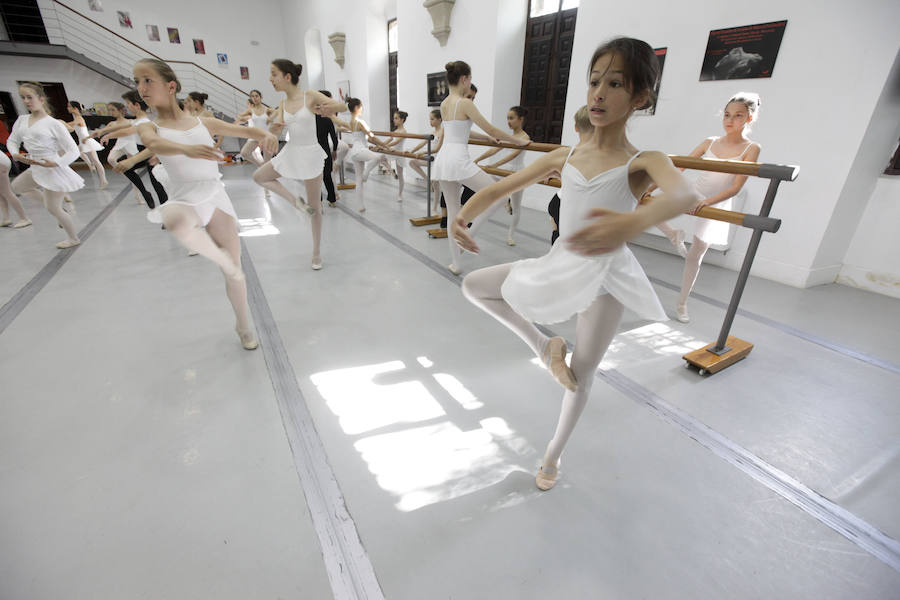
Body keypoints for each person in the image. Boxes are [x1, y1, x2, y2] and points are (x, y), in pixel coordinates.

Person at [450, 38, 699, 491]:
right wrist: (461, 216)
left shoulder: (645, 160)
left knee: (580, 376)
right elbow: (497, 189)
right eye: (594, 81)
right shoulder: (564, 155)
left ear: (640, 98)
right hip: (560, 260)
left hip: (607, 275)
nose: (599, 93)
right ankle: (544, 346)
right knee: (476, 286)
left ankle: (552, 455)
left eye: (616, 84)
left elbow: (686, 196)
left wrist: (631, 223)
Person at [131, 58, 278, 350]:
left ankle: (243, 325)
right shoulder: (148, 126)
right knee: (172, 218)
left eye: (147, 80)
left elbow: (247, 132)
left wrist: (267, 133)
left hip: (213, 195)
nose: (141, 88)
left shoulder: (203, 122)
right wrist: (187, 149)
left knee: (234, 271)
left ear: (170, 86)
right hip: (184, 197)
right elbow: (156, 145)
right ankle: (213, 253)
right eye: (137, 82)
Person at [653, 92, 761, 322]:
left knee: (695, 256)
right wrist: (651, 189)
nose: (730, 120)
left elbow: (735, 187)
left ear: (749, 119)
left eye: (738, 116)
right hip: (694, 191)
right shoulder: (709, 142)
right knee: (645, 206)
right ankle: (673, 234)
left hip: (717, 200)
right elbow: (678, 167)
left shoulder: (751, 149)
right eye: (727, 115)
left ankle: (682, 303)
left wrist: (706, 203)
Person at [431, 62, 528, 275]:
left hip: (444, 158)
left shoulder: (445, 103)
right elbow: (491, 127)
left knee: (454, 212)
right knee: (501, 196)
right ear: (465, 79)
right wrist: (518, 142)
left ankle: (456, 264)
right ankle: (470, 233)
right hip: (458, 160)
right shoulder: (465, 103)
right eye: (470, 80)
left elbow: (460, 131)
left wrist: (487, 138)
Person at [251, 59, 347, 270]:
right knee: (259, 176)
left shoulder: (309, 95)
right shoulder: (283, 104)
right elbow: (275, 129)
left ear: (287, 76)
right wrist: (274, 132)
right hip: (291, 151)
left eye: (274, 74)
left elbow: (342, 105)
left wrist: (327, 108)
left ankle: (316, 252)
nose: (270, 79)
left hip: (311, 153)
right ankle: (295, 202)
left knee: (315, 207)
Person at [7, 82, 83, 248]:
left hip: (53, 168)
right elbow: (12, 140)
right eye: (23, 98)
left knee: (53, 208)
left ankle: (73, 238)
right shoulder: (22, 120)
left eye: (30, 97)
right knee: (18, 186)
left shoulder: (54, 124)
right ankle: (58, 208)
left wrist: (56, 163)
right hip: (35, 165)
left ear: (41, 99)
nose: (26, 101)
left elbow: (73, 150)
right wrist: (16, 154)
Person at [471, 105, 531, 245]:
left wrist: (494, 165)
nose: (508, 121)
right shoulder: (509, 136)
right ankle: (503, 200)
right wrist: (478, 159)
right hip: (502, 172)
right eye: (507, 118)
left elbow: (513, 155)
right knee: (486, 186)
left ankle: (511, 235)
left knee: (516, 207)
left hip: (517, 173)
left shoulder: (525, 137)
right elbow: (494, 149)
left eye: (511, 118)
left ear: (520, 119)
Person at [99, 90, 169, 210]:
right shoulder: (135, 120)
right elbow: (122, 126)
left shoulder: (144, 122)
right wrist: (103, 131)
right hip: (142, 152)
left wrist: (107, 135)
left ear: (137, 105)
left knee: (157, 185)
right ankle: (145, 193)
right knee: (126, 169)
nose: (127, 107)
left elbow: (128, 131)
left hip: (151, 153)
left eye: (128, 104)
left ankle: (167, 213)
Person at [549, 105, 595, 245]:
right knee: (567, 244)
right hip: (572, 206)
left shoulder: (566, 153)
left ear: (576, 127)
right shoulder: (606, 157)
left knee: (560, 239)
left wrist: (558, 174)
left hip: (558, 200)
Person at [344, 97, 391, 212]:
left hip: (355, 151)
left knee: (358, 179)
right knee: (380, 157)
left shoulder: (351, 122)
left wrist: (379, 145)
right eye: (361, 106)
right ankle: (367, 173)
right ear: (357, 108)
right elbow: (372, 137)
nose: (362, 109)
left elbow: (364, 138)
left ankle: (361, 206)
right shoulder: (360, 122)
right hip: (360, 150)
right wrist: (385, 146)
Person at [64, 101, 108, 188]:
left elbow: (71, 125)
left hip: (87, 141)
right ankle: (90, 164)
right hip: (82, 141)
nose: (67, 108)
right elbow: (71, 128)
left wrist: (60, 123)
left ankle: (104, 180)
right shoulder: (76, 118)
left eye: (69, 106)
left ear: (75, 108)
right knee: (77, 151)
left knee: (96, 161)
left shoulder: (79, 118)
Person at [409, 109, 443, 213]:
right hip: (429, 158)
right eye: (430, 119)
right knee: (412, 162)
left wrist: (424, 153)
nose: (430, 121)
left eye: (432, 119)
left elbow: (437, 149)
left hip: (437, 160)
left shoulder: (442, 132)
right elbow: (422, 143)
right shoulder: (432, 132)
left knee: (437, 186)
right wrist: (411, 151)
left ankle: (434, 208)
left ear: (439, 119)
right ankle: (427, 179)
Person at [233, 90, 274, 166]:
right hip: (255, 137)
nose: (254, 98)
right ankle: (260, 166)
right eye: (252, 96)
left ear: (260, 97)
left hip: (266, 137)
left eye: (256, 96)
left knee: (267, 161)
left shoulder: (267, 110)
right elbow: (239, 115)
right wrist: (243, 118)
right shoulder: (250, 110)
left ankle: (266, 173)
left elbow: (277, 113)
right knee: (244, 153)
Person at [315, 90, 339, 205]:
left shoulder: (310, 120)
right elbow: (334, 138)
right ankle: (332, 200)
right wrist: (334, 150)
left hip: (313, 151)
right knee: (327, 176)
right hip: (325, 150)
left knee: (316, 178)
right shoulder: (327, 119)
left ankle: (318, 202)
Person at [0, 151, 31, 228]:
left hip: (1, 164)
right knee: (1, 193)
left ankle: (24, 218)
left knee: (7, 192)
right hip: (3, 162)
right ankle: (6, 218)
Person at [385, 110, 410, 200]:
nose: (394, 120)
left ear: (402, 120)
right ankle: (391, 171)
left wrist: (385, 146)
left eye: (396, 118)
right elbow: (389, 139)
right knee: (381, 157)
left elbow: (396, 141)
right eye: (394, 118)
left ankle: (400, 194)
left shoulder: (403, 131)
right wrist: (380, 144)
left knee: (400, 175)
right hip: (392, 151)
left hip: (399, 153)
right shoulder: (396, 130)